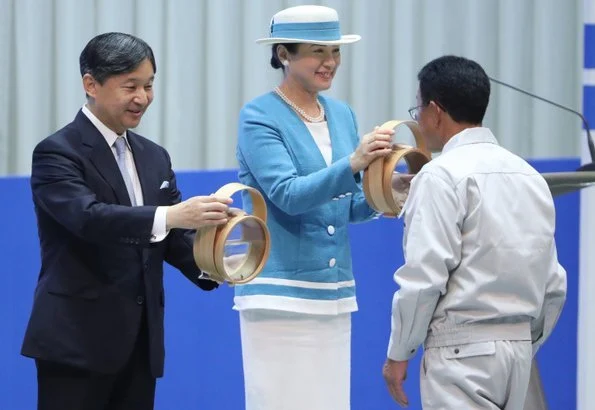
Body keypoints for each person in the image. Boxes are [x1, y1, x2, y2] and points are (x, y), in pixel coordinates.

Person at [21, 32, 232, 410]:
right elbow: (88, 218)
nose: (142, 98)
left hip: (140, 344)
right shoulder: (57, 152)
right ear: (91, 84)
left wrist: (221, 261)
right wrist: (172, 215)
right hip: (76, 342)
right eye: (130, 86)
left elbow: (170, 238)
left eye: (149, 85)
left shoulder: (154, 156)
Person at [382, 55, 567, 409]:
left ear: (435, 111)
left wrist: (399, 351)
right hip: (519, 351)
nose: (418, 118)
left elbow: (424, 277)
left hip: (460, 352)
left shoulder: (440, 175)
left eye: (417, 108)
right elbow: (554, 283)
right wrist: (523, 344)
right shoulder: (530, 177)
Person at [234, 5, 394, 410]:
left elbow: (349, 206)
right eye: (316, 51)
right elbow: (288, 194)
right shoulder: (258, 115)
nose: (330, 62)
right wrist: (355, 163)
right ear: (283, 54)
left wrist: (387, 194)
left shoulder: (342, 115)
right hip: (278, 294)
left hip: (334, 293)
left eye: (335, 51)